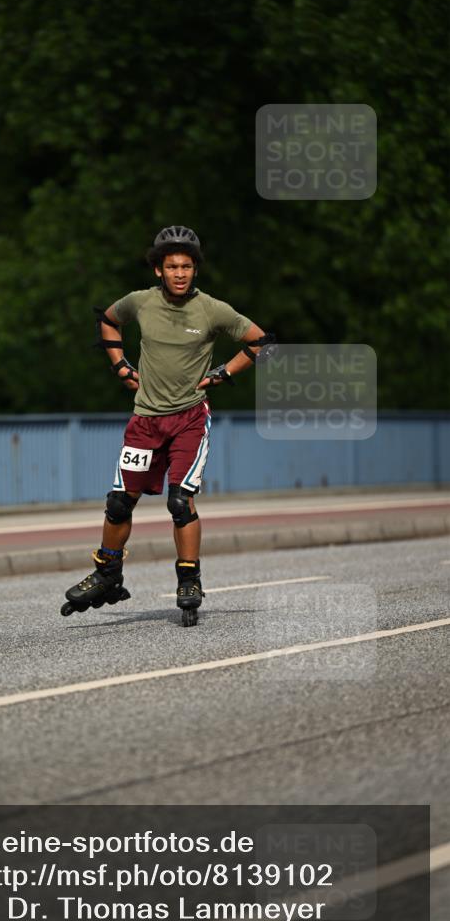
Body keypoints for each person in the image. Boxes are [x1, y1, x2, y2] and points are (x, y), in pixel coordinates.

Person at [60, 225, 275, 625]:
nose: (180, 273)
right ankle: (108, 571)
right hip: (144, 421)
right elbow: (108, 320)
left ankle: (189, 578)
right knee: (119, 502)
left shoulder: (213, 310)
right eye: (172, 266)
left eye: (187, 266)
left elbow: (261, 341)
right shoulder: (139, 303)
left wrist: (224, 374)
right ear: (158, 269)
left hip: (189, 420)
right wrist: (121, 365)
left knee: (180, 501)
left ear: (196, 270)